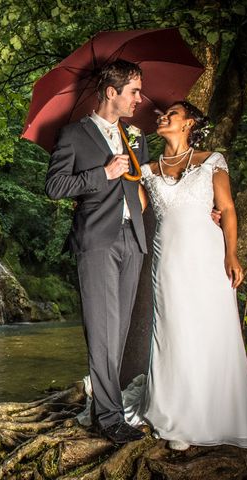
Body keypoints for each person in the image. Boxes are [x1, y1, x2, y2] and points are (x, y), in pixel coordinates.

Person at [134, 101, 247, 450]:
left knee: (211, 328)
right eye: (162, 115)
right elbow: (136, 208)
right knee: (173, 332)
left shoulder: (211, 161)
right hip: (168, 260)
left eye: (171, 114)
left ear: (189, 123)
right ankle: (176, 418)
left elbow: (228, 209)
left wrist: (231, 254)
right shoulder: (145, 168)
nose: (163, 117)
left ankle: (217, 413)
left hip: (207, 257)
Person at [45, 60, 149, 444]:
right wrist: (102, 174)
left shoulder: (135, 136)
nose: (140, 98)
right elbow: (55, 186)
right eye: (134, 91)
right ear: (111, 92)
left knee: (117, 332)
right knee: (102, 333)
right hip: (97, 242)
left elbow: (140, 187)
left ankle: (101, 407)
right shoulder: (73, 135)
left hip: (132, 241)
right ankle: (109, 419)